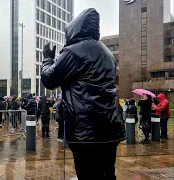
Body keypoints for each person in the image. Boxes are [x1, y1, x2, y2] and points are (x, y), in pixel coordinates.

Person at [41, 8, 125, 180]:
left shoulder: (74, 52)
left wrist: (48, 59)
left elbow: (49, 79)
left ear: (74, 29)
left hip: (85, 130)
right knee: (108, 173)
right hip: (110, 126)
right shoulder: (107, 53)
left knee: (88, 174)